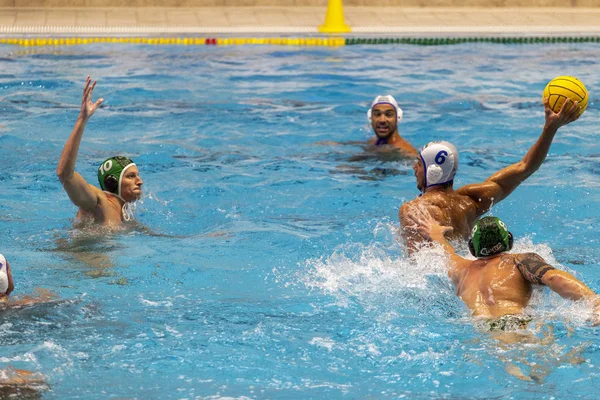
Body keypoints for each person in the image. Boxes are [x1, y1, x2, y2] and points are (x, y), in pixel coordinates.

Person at [399, 97, 580, 252]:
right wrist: (550, 128)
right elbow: (525, 167)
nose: (414, 168)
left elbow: (417, 265)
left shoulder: (414, 210)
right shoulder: (470, 203)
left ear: (433, 170)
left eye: (419, 163)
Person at [412, 212, 600, 330]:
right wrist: (594, 300)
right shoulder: (519, 260)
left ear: (472, 248)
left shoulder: (461, 269)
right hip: (515, 324)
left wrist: (435, 234)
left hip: (480, 330)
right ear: (508, 241)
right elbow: (552, 277)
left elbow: (447, 252)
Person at [56, 77, 143, 226]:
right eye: (131, 176)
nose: (139, 181)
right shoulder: (98, 203)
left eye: (137, 175)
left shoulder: (126, 215)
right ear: (112, 182)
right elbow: (65, 175)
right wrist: (82, 119)